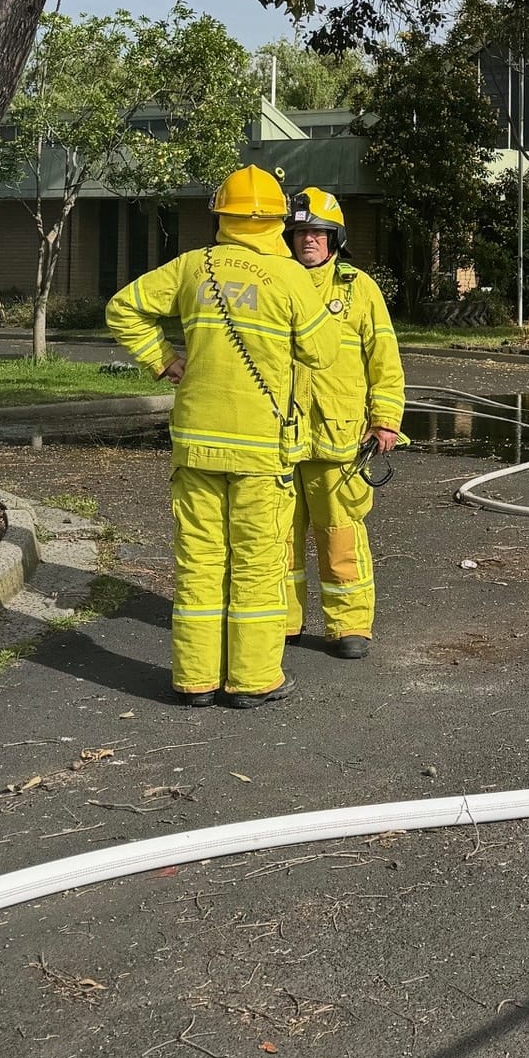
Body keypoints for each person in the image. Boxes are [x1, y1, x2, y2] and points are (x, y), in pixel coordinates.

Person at [105, 165, 335, 711]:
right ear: (278, 219)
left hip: (195, 444)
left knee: (200, 562)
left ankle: (195, 679)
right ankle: (253, 680)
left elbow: (123, 308)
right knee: (257, 565)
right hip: (261, 449)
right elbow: (323, 353)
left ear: (222, 216)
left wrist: (164, 360)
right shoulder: (291, 278)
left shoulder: (192, 266)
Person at [281, 185, 405, 660]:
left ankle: (349, 625)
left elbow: (384, 360)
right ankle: (282, 620)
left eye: (318, 232)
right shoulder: (275, 283)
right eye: (300, 233)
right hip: (281, 438)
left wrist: (386, 421)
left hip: (340, 439)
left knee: (340, 536)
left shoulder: (358, 288)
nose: (308, 239)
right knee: (278, 538)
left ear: (335, 238)